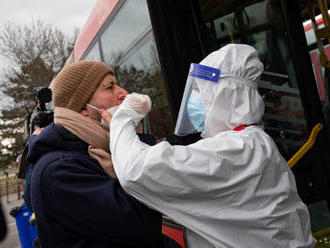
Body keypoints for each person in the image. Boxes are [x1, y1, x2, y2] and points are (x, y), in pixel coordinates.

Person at [101, 44, 316, 248]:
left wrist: (123, 117)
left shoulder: (236, 149)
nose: (195, 100)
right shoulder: (253, 141)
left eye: (201, 92)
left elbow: (136, 171)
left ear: (226, 94)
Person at [27, 61, 181, 248]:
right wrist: (135, 139)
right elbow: (141, 228)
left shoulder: (97, 148)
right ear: (84, 108)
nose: (123, 93)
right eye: (110, 87)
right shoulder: (59, 170)